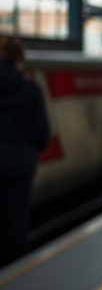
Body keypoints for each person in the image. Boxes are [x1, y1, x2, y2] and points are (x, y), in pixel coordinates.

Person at [0, 37, 50, 267]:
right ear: (19, 60)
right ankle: (14, 272)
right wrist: (30, 152)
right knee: (17, 220)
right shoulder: (30, 91)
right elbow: (41, 131)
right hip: (20, 165)